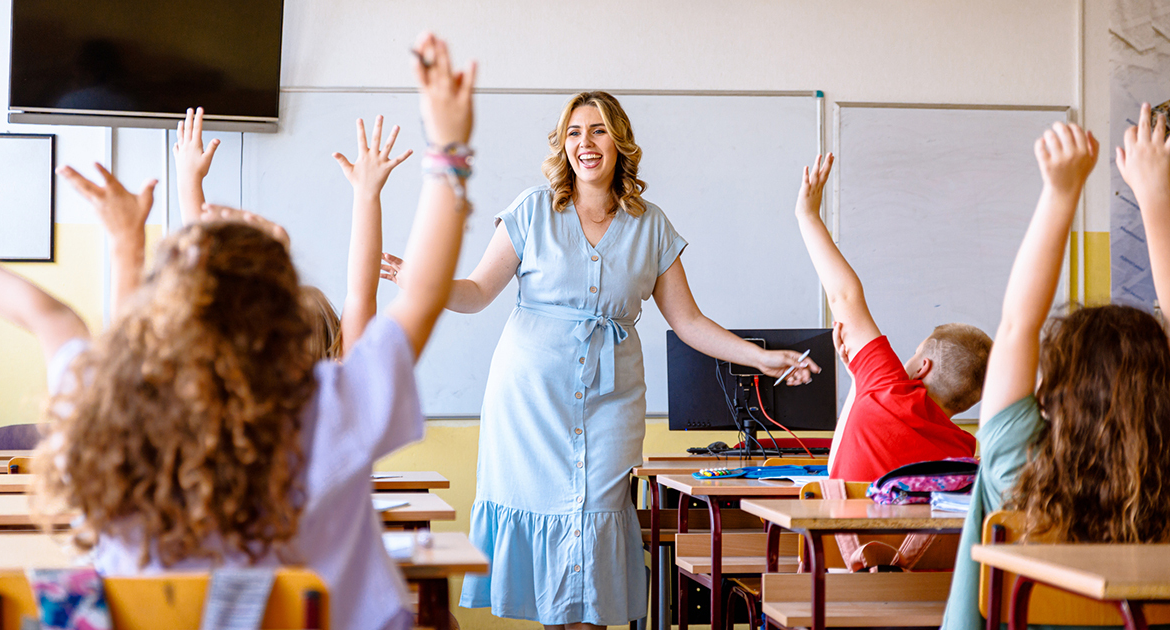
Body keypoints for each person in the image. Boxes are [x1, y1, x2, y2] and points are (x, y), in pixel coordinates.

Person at [0, 32, 472, 630]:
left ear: (165, 316)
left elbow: (51, 317)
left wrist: (128, 246)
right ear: (285, 319)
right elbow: (422, 293)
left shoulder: (108, 412)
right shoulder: (332, 412)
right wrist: (449, 146)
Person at [382, 90, 818, 628]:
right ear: (562, 145)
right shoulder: (532, 209)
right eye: (574, 132)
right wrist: (423, 283)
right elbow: (474, 293)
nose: (585, 143)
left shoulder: (652, 225)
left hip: (612, 401)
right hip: (530, 402)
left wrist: (760, 358)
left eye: (598, 130)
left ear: (619, 141)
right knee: (547, 536)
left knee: (596, 527)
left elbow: (688, 321)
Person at [943, 111, 1170, 630]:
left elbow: (1017, 325)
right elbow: (1018, 327)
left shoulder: (1018, 468)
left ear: (1051, 394)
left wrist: (1061, 191)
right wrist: (1156, 197)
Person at [792, 153, 990, 482]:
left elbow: (845, 295)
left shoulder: (888, 388)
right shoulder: (962, 451)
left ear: (923, 367)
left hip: (839, 519)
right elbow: (837, 463)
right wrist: (858, 381)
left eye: (915, 352)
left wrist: (807, 215)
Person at [172, 107, 411, 361]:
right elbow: (361, 294)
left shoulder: (244, 376)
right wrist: (367, 192)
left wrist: (189, 179)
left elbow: (203, 277)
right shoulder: (346, 374)